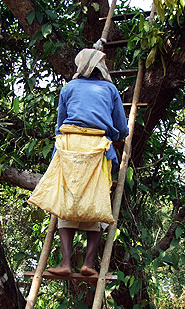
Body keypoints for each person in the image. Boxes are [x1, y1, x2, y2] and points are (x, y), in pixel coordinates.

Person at [46, 48, 128, 277]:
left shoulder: (68, 88)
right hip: (97, 147)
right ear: (101, 68)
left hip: (69, 146)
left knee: (67, 201)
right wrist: (120, 135)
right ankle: (89, 264)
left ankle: (65, 262)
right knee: (98, 199)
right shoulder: (110, 89)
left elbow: (60, 123)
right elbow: (121, 127)